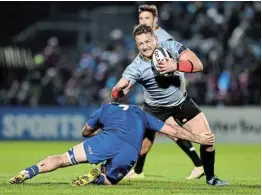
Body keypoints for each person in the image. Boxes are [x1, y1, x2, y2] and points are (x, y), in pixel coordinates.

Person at [111, 24, 228, 186]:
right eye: (140, 44)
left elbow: (199, 65)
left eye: (148, 41)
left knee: (207, 140)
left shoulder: (171, 47)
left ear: (156, 39)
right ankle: (112, 174)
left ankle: (211, 179)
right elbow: (118, 91)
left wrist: (176, 66)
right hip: (155, 110)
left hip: (181, 102)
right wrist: (118, 91)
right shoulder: (135, 67)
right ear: (137, 46)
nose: (145, 46)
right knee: (143, 149)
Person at [10, 103, 214, 186]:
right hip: (130, 151)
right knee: (110, 181)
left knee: (63, 158)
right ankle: (99, 177)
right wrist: (200, 139)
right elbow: (173, 130)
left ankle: (29, 172)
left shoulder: (105, 108)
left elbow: (85, 131)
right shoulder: (141, 113)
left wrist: (96, 130)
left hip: (106, 139)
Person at [124, 4, 203, 180]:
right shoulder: (144, 36)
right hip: (154, 94)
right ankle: (138, 171)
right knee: (150, 133)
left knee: (167, 131)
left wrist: (175, 81)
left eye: (147, 19)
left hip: (166, 93)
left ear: (155, 20)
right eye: (141, 19)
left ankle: (199, 164)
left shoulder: (163, 38)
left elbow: (176, 63)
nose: (143, 21)